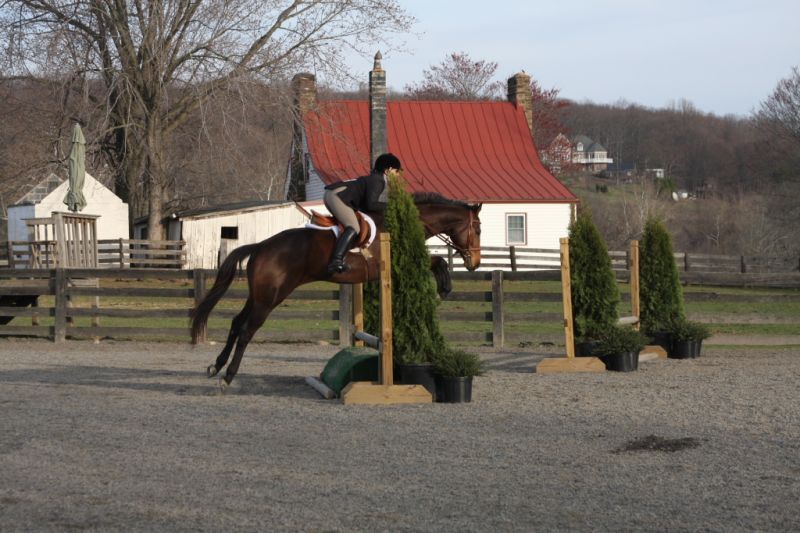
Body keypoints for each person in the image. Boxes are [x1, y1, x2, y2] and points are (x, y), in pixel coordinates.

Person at [323, 152, 402, 274]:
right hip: (337, 196)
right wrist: (392, 206)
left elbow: (366, 206)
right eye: (396, 171)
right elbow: (371, 205)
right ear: (388, 170)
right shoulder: (378, 181)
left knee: (356, 223)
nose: (398, 175)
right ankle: (336, 261)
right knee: (354, 227)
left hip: (335, 194)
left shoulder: (374, 178)